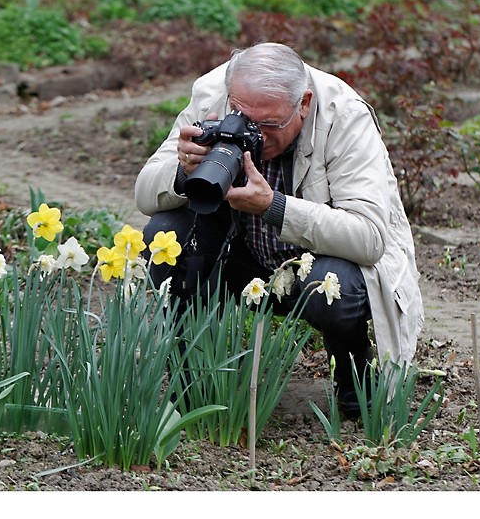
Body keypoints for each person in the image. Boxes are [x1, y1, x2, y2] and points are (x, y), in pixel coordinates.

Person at [134, 42, 423, 416]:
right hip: (242, 257)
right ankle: (196, 384)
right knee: (165, 234)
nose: (256, 133)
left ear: (303, 103)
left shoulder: (344, 115)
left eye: (269, 124)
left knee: (333, 284)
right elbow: (144, 194)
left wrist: (275, 207)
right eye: (242, 117)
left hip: (317, 266)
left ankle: (355, 377)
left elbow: (368, 237)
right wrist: (184, 170)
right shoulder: (214, 94)